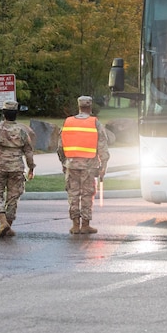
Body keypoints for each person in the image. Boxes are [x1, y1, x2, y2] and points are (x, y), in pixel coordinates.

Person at [0, 101, 35, 238]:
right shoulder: (22, 130)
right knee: (13, 197)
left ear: (4, 113)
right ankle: (8, 225)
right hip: (16, 167)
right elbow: (28, 151)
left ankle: (3, 222)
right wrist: (31, 168)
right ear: (16, 114)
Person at [57, 96, 110, 235]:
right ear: (90, 107)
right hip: (89, 165)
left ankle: (75, 225)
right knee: (87, 194)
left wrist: (64, 162)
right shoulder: (95, 122)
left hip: (71, 164)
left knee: (73, 194)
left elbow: (60, 146)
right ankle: (85, 225)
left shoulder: (68, 122)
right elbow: (102, 145)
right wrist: (103, 165)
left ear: (79, 106)